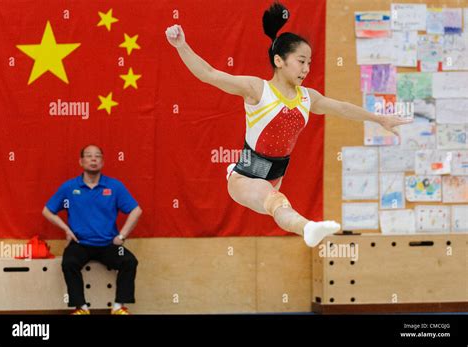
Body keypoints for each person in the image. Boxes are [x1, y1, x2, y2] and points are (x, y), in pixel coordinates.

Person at [165, 2, 412, 247]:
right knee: (275, 200)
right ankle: (308, 227)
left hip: (274, 177)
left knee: (276, 200)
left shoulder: (307, 97)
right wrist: (181, 46)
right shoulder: (258, 89)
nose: (306, 69)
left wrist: (380, 119)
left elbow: (342, 108)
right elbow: (209, 74)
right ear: (279, 61)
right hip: (245, 177)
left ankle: (306, 227)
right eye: (301, 61)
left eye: (309, 63)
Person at [42, 144, 142, 315]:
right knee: (69, 262)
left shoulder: (114, 186)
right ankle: (81, 308)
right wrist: (66, 229)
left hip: (108, 244)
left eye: (97, 156)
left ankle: (118, 307)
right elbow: (47, 211)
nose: (93, 159)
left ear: (102, 162)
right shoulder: (70, 187)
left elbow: (136, 210)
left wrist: (122, 235)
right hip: (80, 244)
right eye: (88, 156)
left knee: (129, 261)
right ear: (81, 162)